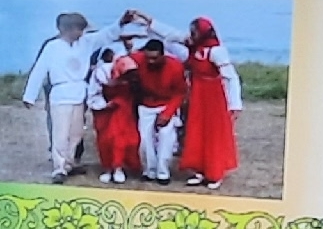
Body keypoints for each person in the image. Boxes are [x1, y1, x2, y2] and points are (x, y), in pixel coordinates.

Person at [20, 12, 94, 183]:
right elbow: (39, 70)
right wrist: (29, 96)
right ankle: (59, 168)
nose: (80, 33)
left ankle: (69, 163)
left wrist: (121, 23)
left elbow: (106, 35)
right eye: (77, 29)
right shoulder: (52, 47)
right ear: (65, 29)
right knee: (60, 133)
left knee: (76, 133)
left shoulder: (84, 43)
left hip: (79, 94)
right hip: (60, 95)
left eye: (81, 29)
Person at [176, 17, 243, 189]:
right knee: (196, 130)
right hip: (198, 93)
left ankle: (215, 172)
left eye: (195, 32)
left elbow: (231, 77)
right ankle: (199, 170)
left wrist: (235, 104)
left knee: (213, 133)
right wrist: (148, 22)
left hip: (213, 95)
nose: (192, 35)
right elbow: (170, 35)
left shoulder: (216, 51)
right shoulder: (194, 48)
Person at [124, 40, 188, 184]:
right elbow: (120, 64)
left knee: (166, 139)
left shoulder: (175, 66)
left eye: (154, 58)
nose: (150, 61)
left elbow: (180, 92)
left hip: (166, 104)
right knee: (144, 141)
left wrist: (168, 113)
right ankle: (149, 171)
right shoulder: (137, 59)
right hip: (145, 104)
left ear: (162, 55)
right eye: (148, 58)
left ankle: (163, 172)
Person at [86, 46, 139, 184]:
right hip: (103, 111)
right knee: (104, 140)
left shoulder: (129, 66)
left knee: (120, 138)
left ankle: (118, 167)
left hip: (122, 107)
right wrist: (104, 105)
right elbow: (93, 94)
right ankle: (107, 168)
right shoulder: (100, 73)